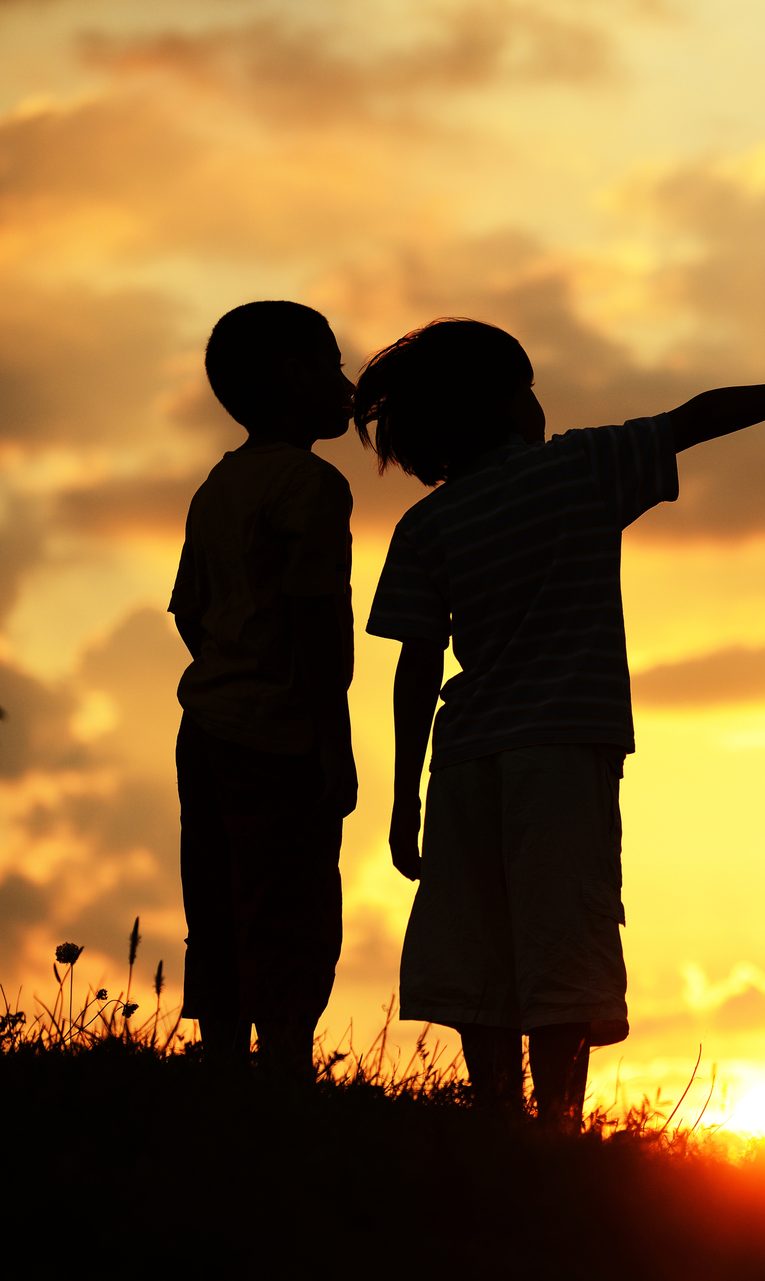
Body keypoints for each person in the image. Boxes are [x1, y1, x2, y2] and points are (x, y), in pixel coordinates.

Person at [357, 316, 765, 1124]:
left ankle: (497, 1125)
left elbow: (415, 666)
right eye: (529, 387)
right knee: (562, 944)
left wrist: (403, 797)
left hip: (466, 758)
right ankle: (557, 1132)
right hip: (561, 754)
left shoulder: (426, 525)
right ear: (505, 401)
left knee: (478, 952)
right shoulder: (579, 468)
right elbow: (701, 415)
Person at [169, 300, 357, 1083]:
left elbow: (188, 608)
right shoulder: (312, 486)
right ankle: (283, 1069)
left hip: (207, 726)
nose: (346, 384)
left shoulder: (220, 483)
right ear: (292, 378)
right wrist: (332, 741)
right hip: (279, 738)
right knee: (293, 907)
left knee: (214, 900)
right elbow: (319, 628)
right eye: (330, 365)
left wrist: (231, 666)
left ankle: (220, 1064)